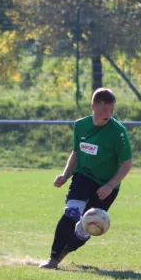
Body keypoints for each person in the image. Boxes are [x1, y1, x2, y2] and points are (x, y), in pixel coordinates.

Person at [39, 88, 133, 269]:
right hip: (83, 176)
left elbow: (127, 163)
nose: (108, 114)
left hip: (107, 185)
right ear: (93, 106)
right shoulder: (80, 125)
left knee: (86, 229)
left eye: (111, 110)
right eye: (104, 110)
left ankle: (63, 255)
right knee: (72, 212)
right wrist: (65, 175)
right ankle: (52, 259)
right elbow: (76, 153)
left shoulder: (118, 132)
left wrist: (110, 185)